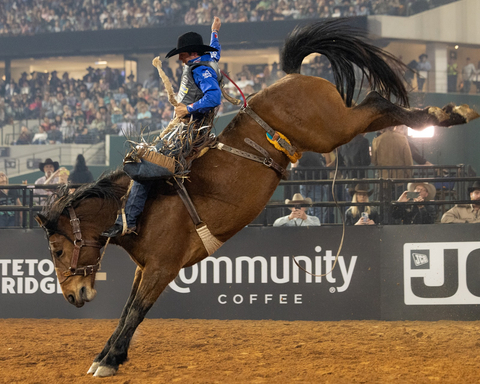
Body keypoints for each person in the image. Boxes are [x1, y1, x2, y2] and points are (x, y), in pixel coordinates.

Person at [102, 17, 223, 238]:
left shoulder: (198, 69)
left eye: (183, 54)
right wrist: (214, 32)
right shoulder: (208, 59)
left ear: (193, 53)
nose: (180, 59)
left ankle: (128, 222)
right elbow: (215, 50)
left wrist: (189, 109)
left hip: (188, 132)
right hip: (190, 129)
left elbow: (214, 96)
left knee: (145, 167)